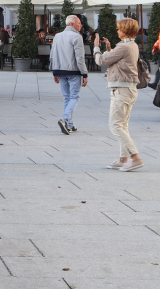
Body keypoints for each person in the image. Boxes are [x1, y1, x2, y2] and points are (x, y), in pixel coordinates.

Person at [95, 17, 143, 172]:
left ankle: (135, 158)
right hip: (127, 89)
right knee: (122, 125)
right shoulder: (131, 45)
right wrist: (110, 49)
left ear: (125, 30)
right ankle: (123, 159)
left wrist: (96, 48)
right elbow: (116, 60)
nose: (117, 31)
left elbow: (101, 61)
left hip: (122, 90)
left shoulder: (124, 46)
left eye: (119, 28)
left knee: (115, 125)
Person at [50, 15, 89, 135]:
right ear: (72, 24)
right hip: (73, 71)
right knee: (74, 97)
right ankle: (64, 118)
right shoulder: (77, 36)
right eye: (79, 23)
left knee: (67, 97)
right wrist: (85, 74)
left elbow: (52, 54)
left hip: (60, 70)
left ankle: (70, 125)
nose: (81, 25)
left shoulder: (57, 36)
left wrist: (54, 71)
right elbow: (80, 57)